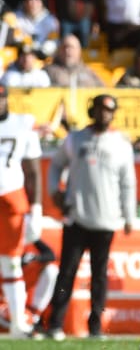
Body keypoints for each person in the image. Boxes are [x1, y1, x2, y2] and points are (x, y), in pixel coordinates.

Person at [43, 94, 136, 340]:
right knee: (67, 272)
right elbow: (55, 166)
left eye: (109, 109)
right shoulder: (74, 139)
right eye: (100, 108)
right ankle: (55, 325)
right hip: (76, 217)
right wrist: (55, 192)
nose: (104, 113)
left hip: (106, 219)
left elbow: (128, 183)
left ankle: (95, 328)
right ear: (91, 111)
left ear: (114, 113)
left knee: (99, 275)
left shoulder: (121, 144)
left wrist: (128, 216)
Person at [0, 84, 43, 337]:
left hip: (11, 199)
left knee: (11, 262)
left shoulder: (22, 123)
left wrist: (36, 209)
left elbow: (33, 170)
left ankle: (18, 323)